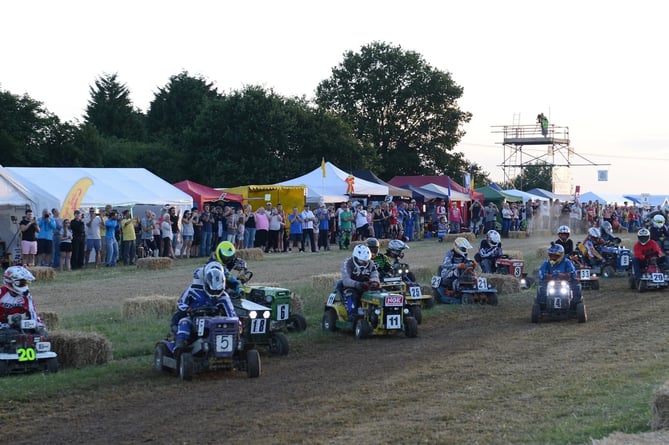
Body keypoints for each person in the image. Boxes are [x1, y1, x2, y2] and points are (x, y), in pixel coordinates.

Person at [172, 261, 236, 350]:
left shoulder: (224, 297)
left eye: (217, 291)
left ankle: (229, 347)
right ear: (206, 284)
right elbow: (180, 303)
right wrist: (188, 309)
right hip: (193, 318)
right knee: (184, 322)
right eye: (212, 291)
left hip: (215, 321)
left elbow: (232, 314)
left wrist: (236, 323)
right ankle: (180, 346)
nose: (215, 294)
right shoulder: (193, 290)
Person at [0, 266, 46, 334]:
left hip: (18, 326)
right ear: (10, 282)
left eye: (25, 283)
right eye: (21, 283)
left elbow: (33, 313)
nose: (24, 285)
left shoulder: (27, 297)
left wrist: (39, 326)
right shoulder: (1, 292)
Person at [339, 245, 380, 320]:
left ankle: (376, 314)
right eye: (362, 261)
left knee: (379, 293)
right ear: (356, 257)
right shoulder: (348, 263)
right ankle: (352, 315)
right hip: (351, 287)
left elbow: (375, 275)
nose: (364, 263)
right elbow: (345, 280)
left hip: (366, 287)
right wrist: (357, 284)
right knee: (350, 295)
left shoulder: (371, 263)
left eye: (366, 261)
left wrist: (374, 283)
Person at [536, 243, 582, 309]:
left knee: (577, 285)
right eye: (551, 256)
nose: (553, 258)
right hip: (550, 282)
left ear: (561, 255)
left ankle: (573, 304)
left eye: (555, 256)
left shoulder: (567, 262)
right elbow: (541, 273)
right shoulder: (546, 263)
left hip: (566, 282)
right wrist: (546, 276)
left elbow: (573, 272)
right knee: (540, 287)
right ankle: (543, 304)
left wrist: (567, 275)